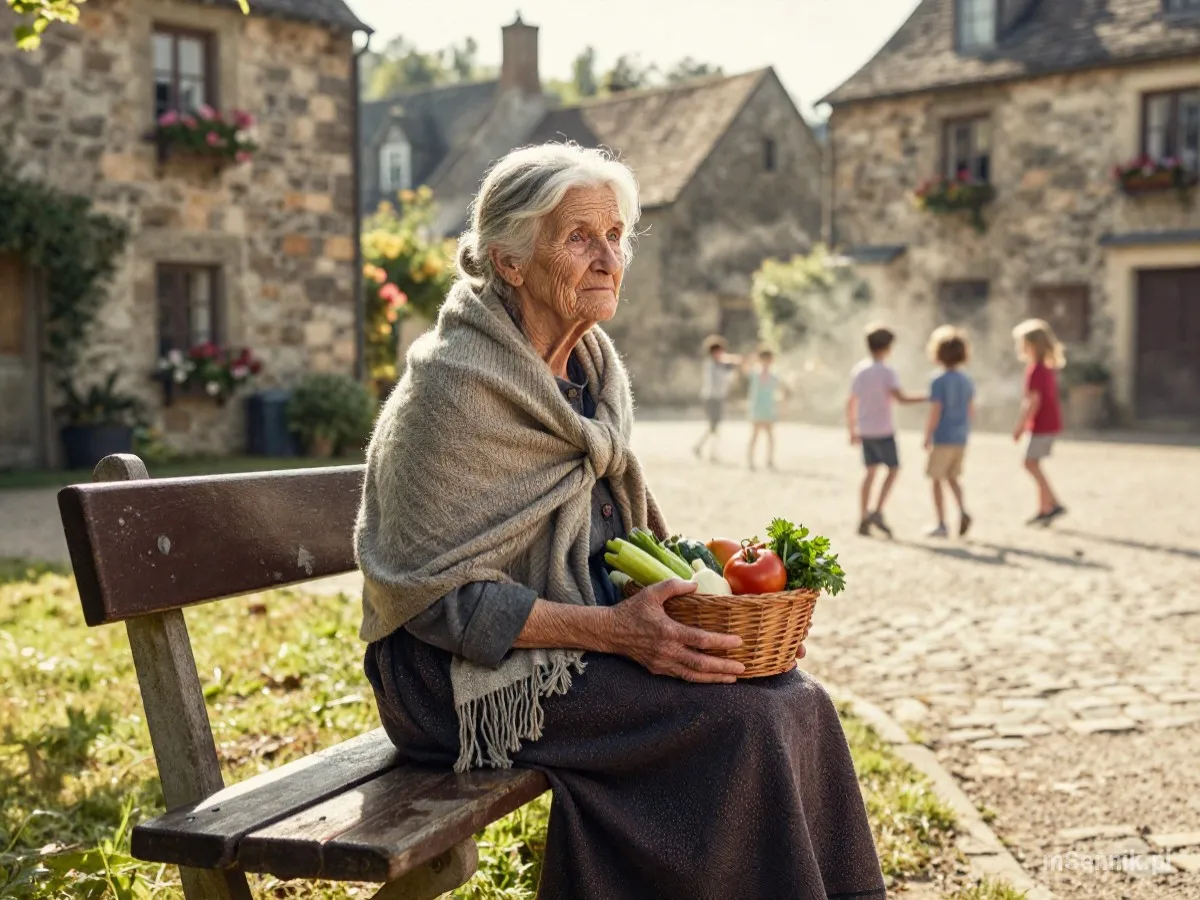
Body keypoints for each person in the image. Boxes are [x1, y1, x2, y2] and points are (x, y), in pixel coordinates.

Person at [355, 144, 885, 900]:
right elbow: (434, 602)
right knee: (742, 723)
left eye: (617, 235)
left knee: (795, 698)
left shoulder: (592, 371)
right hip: (449, 678)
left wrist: (695, 593)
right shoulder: (452, 389)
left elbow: (609, 539)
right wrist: (616, 633)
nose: (609, 258)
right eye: (579, 237)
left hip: (566, 642)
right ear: (510, 261)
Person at [846, 325, 926, 537]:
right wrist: (927, 397)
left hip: (865, 429)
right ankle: (878, 510)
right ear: (888, 347)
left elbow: (851, 402)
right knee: (893, 469)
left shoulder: (859, 370)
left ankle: (863, 515)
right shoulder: (887, 371)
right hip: (883, 429)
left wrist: (851, 428)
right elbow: (901, 398)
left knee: (869, 472)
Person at [1012, 318, 1067, 525]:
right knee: (1034, 463)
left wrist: (1020, 426)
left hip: (1041, 424)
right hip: (1049, 423)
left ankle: (1053, 503)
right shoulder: (1046, 367)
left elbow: (1032, 401)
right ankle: (1044, 508)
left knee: (1030, 463)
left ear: (1031, 345)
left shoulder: (1035, 370)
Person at [922, 326, 975, 538]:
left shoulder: (938, 380)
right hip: (961, 436)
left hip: (943, 436)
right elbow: (971, 409)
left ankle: (941, 523)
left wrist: (928, 434)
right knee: (953, 477)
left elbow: (936, 409)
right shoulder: (966, 380)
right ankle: (962, 510)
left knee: (936, 478)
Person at [693, 334, 743, 462]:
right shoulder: (711, 365)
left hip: (719, 398)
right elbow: (723, 376)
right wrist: (731, 363)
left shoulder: (720, 364)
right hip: (711, 398)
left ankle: (703, 448)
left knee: (714, 426)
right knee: (714, 426)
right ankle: (709, 451)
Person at [747, 347, 789, 470]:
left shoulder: (774, 375)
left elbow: (782, 388)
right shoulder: (755, 373)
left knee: (770, 436)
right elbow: (744, 368)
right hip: (757, 407)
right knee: (755, 435)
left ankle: (769, 459)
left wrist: (782, 401)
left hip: (768, 408)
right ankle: (750, 460)